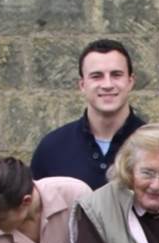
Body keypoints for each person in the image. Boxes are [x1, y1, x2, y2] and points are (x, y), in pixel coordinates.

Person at [31, 39, 146, 185]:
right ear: (82, 85)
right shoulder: (52, 148)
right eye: (96, 76)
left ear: (130, 81)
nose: (107, 85)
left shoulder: (157, 147)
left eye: (116, 75)